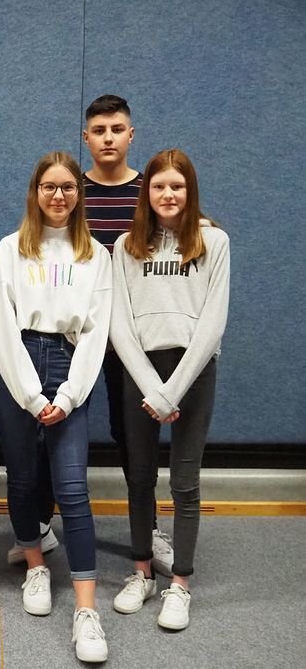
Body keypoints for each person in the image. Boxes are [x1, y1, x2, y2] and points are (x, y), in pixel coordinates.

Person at [14, 95, 174, 574]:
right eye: (99, 130)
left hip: (131, 333)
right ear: (85, 138)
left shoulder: (149, 192)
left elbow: (178, 232)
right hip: (74, 333)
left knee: (132, 434)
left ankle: (149, 531)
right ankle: (40, 524)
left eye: (116, 129)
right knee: (52, 423)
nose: (108, 138)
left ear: (131, 135)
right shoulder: (68, 189)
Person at [0, 152, 112, 664]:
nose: (58, 196)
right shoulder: (11, 247)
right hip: (16, 366)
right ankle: (35, 563)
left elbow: (97, 332)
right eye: (49, 187)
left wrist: (68, 394)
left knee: (73, 488)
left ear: (78, 195)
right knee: (21, 478)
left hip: (68, 363)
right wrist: (32, 396)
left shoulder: (95, 255)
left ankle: (86, 611)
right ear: (35, 192)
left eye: (67, 188)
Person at [110, 149, 230, 630]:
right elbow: (120, 323)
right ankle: (142, 571)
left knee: (184, 481)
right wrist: (152, 387)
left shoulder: (214, 240)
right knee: (140, 477)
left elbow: (213, 322)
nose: (168, 194)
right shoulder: (126, 245)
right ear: (147, 192)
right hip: (142, 374)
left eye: (177, 186)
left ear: (189, 190)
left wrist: (172, 391)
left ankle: (180, 582)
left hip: (193, 372)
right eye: (159, 186)